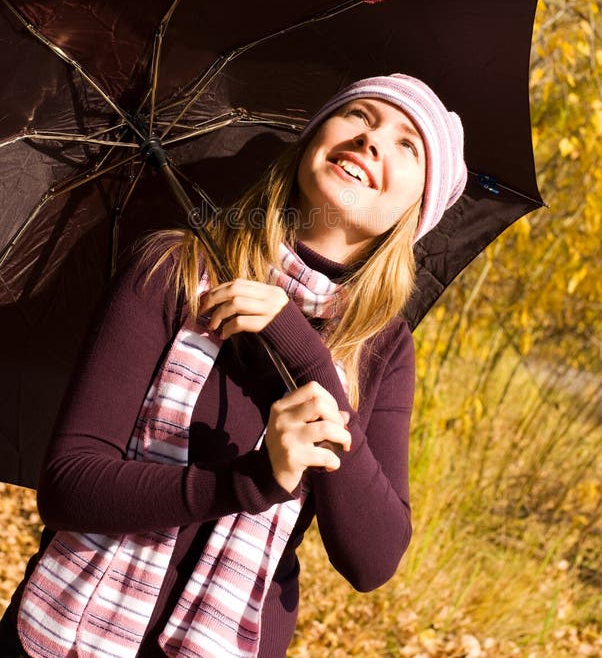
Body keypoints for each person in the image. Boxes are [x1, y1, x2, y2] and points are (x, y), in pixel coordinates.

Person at [0, 73, 467, 658]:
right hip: (64, 631)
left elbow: (373, 558)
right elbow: (70, 485)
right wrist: (252, 481)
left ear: (418, 208)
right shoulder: (176, 267)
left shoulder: (380, 349)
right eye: (360, 116)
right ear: (312, 141)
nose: (372, 140)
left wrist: (305, 352)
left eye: (408, 145)